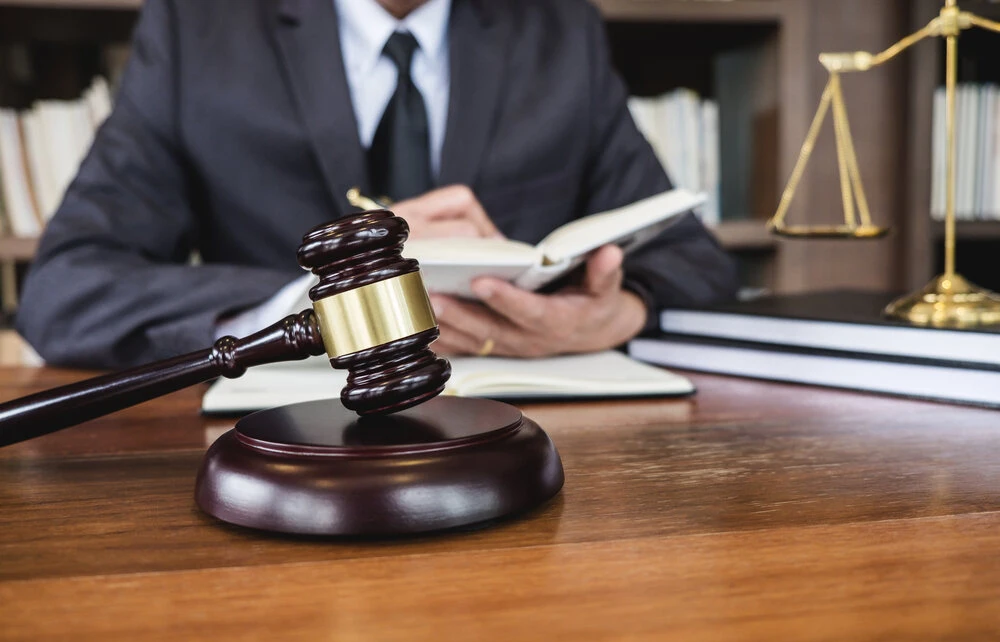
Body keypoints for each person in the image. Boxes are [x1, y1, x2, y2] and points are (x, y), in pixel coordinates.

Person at [16, 0, 738, 369]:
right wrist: (314, 303)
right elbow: (64, 292)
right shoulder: (198, 27)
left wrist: (617, 316)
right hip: (283, 447)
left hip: (525, 432)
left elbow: (695, 260)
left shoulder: (559, 29)